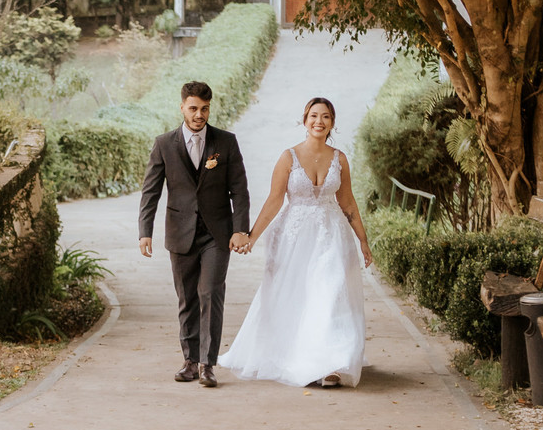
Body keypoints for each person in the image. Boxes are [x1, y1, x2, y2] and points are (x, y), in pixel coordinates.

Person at [220, 96, 372, 389]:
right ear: (304, 120)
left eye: (325, 116)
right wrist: (252, 236)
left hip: (332, 236)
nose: (319, 121)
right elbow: (274, 200)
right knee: (301, 297)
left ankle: (330, 365)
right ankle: (301, 356)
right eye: (314, 115)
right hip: (294, 238)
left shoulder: (340, 159)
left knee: (330, 293)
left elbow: (347, 201)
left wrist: (362, 240)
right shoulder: (288, 157)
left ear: (332, 123)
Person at [138, 79, 250, 387]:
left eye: (205, 109)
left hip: (217, 234)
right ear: (182, 107)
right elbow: (150, 191)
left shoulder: (226, 142)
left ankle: (207, 364)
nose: (199, 115)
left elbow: (239, 190)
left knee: (210, 293)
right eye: (193, 109)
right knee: (187, 298)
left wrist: (240, 229)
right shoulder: (164, 144)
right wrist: (145, 231)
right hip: (180, 232)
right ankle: (189, 360)